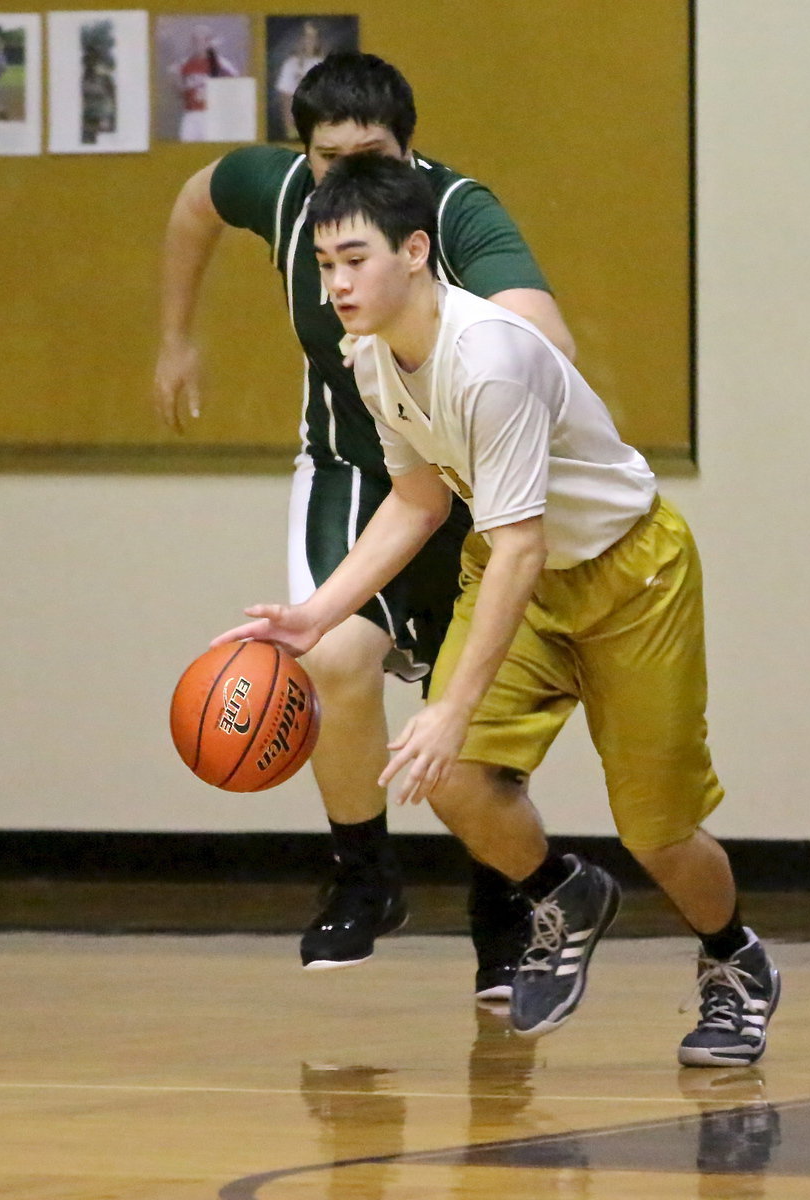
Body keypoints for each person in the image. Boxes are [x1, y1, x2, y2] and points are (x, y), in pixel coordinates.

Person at [211, 153, 781, 1065]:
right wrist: (318, 614)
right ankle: (563, 892)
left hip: (631, 575)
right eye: (322, 266)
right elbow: (419, 502)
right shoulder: (371, 360)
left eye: (354, 259)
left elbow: (521, 543)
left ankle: (734, 961)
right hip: (518, 569)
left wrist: (449, 703)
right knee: (451, 776)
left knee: (656, 828)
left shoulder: (491, 362)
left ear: (416, 251)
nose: (338, 283)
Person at [154, 53, 575, 1001]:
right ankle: (363, 870)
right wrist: (177, 334)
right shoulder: (285, 193)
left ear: (408, 154)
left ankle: (501, 904)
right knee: (329, 659)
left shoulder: (454, 210)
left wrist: (470, 349)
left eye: (368, 157)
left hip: (468, 483)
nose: (345, 180)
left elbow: (545, 335)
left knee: (468, 715)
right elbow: (194, 201)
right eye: (326, 158)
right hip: (353, 470)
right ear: (304, 155)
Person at [169, 24, 238, 144]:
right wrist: (177, 80)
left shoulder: (221, 63)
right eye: (195, 40)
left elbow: (236, 87)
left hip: (211, 115)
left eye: (203, 39)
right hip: (190, 115)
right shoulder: (184, 64)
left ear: (209, 41)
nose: (199, 43)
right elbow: (179, 93)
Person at [273, 20, 323, 141]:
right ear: (300, 40)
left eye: (313, 37)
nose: (310, 41)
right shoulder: (290, 64)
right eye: (307, 37)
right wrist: (289, 126)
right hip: (296, 127)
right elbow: (285, 97)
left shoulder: (324, 64)